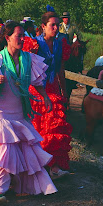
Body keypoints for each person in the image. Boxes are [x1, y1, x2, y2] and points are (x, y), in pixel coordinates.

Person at [0, 21, 57, 204]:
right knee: (3, 149)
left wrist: (45, 97)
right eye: (18, 35)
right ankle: (0, 190)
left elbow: (37, 82)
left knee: (26, 149)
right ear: (7, 38)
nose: (22, 39)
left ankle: (30, 185)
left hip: (18, 111)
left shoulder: (28, 59)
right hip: (0, 112)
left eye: (23, 35)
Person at [24, 11, 72, 179]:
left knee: (56, 124)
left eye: (57, 25)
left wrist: (64, 90)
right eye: (52, 25)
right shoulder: (34, 44)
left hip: (52, 87)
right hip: (36, 88)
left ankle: (54, 165)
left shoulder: (60, 44)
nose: (55, 28)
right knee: (39, 126)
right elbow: (27, 69)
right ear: (43, 26)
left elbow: (60, 69)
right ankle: (38, 163)